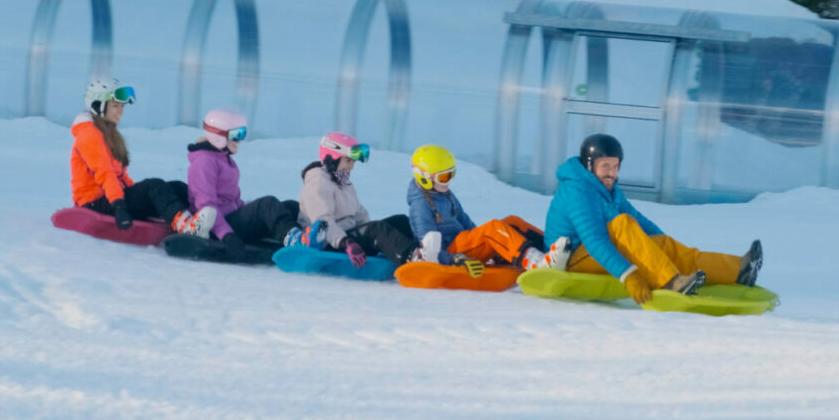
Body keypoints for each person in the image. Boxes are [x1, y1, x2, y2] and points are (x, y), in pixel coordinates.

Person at [546, 133, 762, 306]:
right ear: (590, 165)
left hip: (595, 250)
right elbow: (594, 241)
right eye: (605, 166)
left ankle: (738, 270)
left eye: (615, 166)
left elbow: (637, 219)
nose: (611, 172)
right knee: (622, 223)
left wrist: (661, 245)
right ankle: (670, 282)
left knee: (660, 243)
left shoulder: (607, 187)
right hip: (572, 258)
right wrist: (628, 275)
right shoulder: (577, 191)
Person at [69, 77, 213, 237]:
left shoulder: (108, 134)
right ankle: (188, 228)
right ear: (98, 106)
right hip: (96, 203)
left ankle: (210, 219)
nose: (121, 111)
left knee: (176, 187)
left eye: (122, 106)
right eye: (115, 106)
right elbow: (105, 174)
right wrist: (119, 206)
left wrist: (141, 193)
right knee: (154, 186)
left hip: (113, 197)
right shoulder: (89, 135)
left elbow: (122, 177)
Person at [405, 144, 570, 272]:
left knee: (512, 221)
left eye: (451, 174)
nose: (448, 181)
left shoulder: (444, 193)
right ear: (425, 178)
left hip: (465, 242)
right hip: (453, 251)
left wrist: (487, 247)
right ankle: (536, 263)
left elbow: (464, 220)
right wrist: (454, 259)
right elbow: (427, 248)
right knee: (493, 229)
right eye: (444, 177)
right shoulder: (420, 206)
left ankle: (557, 250)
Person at [185, 108, 302, 261]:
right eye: (236, 135)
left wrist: (249, 211)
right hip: (218, 227)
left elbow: (232, 200)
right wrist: (226, 235)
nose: (240, 140)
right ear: (218, 136)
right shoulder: (204, 163)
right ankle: (296, 242)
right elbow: (206, 208)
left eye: (242, 134)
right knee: (267, 205)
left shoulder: (224, 159)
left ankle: (311, 236)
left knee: (291, 206)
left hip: (231, 220)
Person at [290, 132, 418, 268]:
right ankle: (413, 259)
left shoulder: (344, 184)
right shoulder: (318, 183)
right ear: (332, 158)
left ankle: (422, 251)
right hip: (331, 243)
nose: (351, 166)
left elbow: (360, 215)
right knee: (377, 229)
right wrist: (346, 242)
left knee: (401, 221)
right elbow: (323, 223)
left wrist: (376, 240)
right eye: (348, 161)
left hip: (350, 238)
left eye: (353, 161)